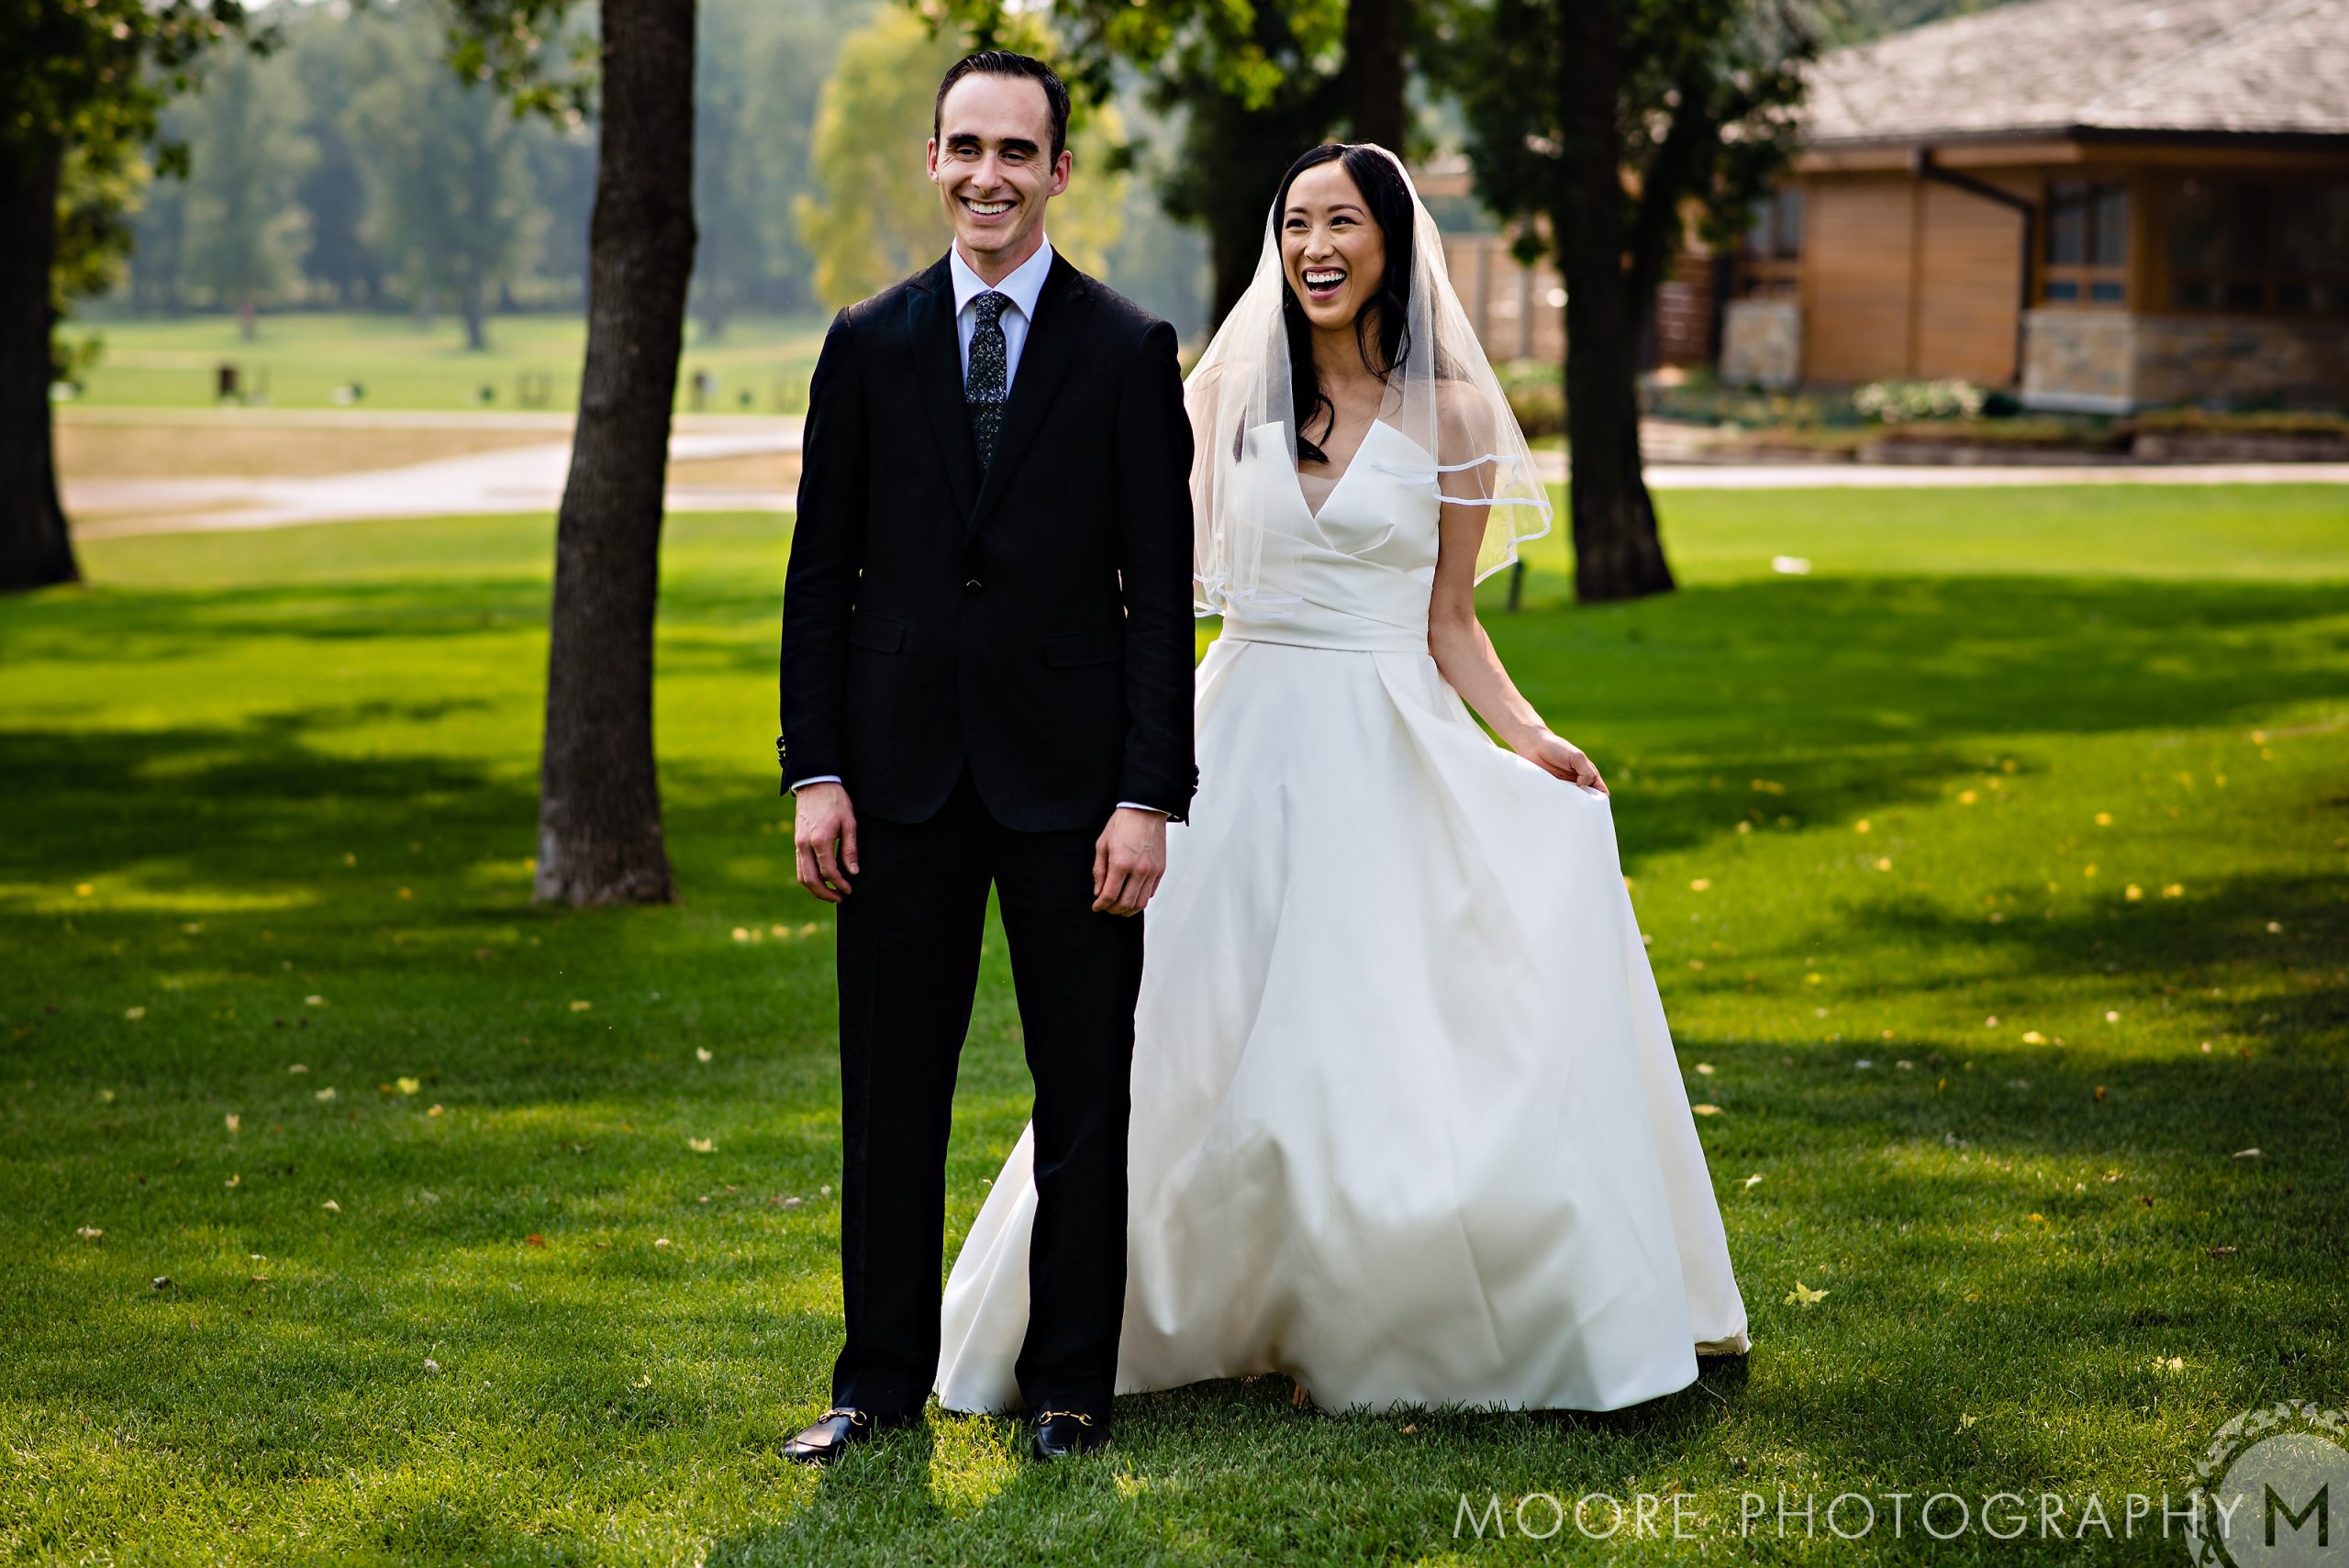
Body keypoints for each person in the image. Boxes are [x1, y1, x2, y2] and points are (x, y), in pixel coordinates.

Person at [937, 143, 1750, 1419]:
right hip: (1237, 733)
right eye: (1296, 223)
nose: (1316, 246)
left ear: (1392, 242)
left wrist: (1529, 736)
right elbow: (1136, 580)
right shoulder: (1218, 401)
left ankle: (1381, 1305)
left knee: (1373, 1034)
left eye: (1342, 223)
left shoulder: (1460, 416)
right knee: (1170, 1036)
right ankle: (1128, 1311)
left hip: (1386, 733)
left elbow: (1453, 624)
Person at [775, 50, 1196, 1463]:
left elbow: (1158, 587)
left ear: (1061, 171)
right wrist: (813, 770)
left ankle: (1071, 1385)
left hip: (1076, 795)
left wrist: (1148, 793)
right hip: (892, 788)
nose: (988, 176)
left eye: (1018, 150)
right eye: (965, 146)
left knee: (1086, 1093)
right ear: (933, 158)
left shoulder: (1132, 350)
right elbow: (816, 577)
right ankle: (876, 1381)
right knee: (890, 1097)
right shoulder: (869, 343)